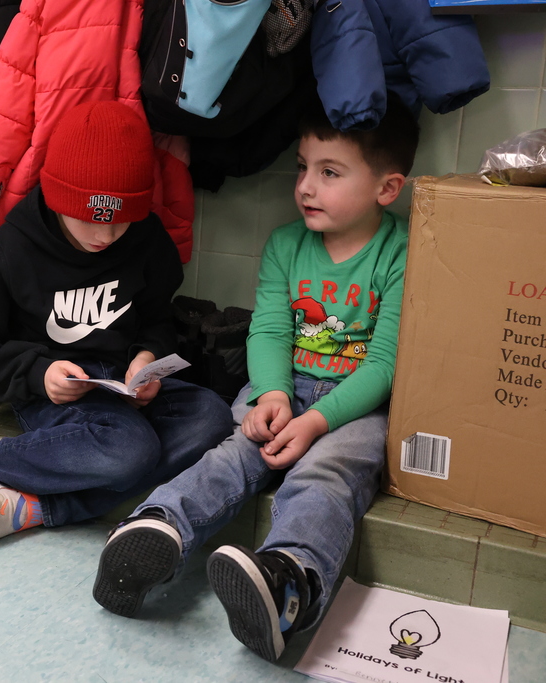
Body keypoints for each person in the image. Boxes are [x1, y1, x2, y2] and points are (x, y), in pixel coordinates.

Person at [92, 94, 420, 664]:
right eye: (302, 167)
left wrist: (318, 420)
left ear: (387, 188)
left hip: (356, 406)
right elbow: (268, 330)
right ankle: (155, 529)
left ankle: (288, 583)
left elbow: (387, 364)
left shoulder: (402, 252)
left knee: (326, 473)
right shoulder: (287, 245)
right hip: (282, 386)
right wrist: (272, 394)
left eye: (330, 172)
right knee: (234, 452)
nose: (306, 187)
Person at [0, 100, 234, 544]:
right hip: (55, 393)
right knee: (130, 450)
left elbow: (156, 318)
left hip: (123, 391)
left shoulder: (148, 240)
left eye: (122, 221)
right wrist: (38, 372)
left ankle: (37, 506)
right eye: (90, 219)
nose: (106, 235)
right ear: (57, 198)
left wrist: (147, 359)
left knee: (211, 417)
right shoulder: (14, 248)